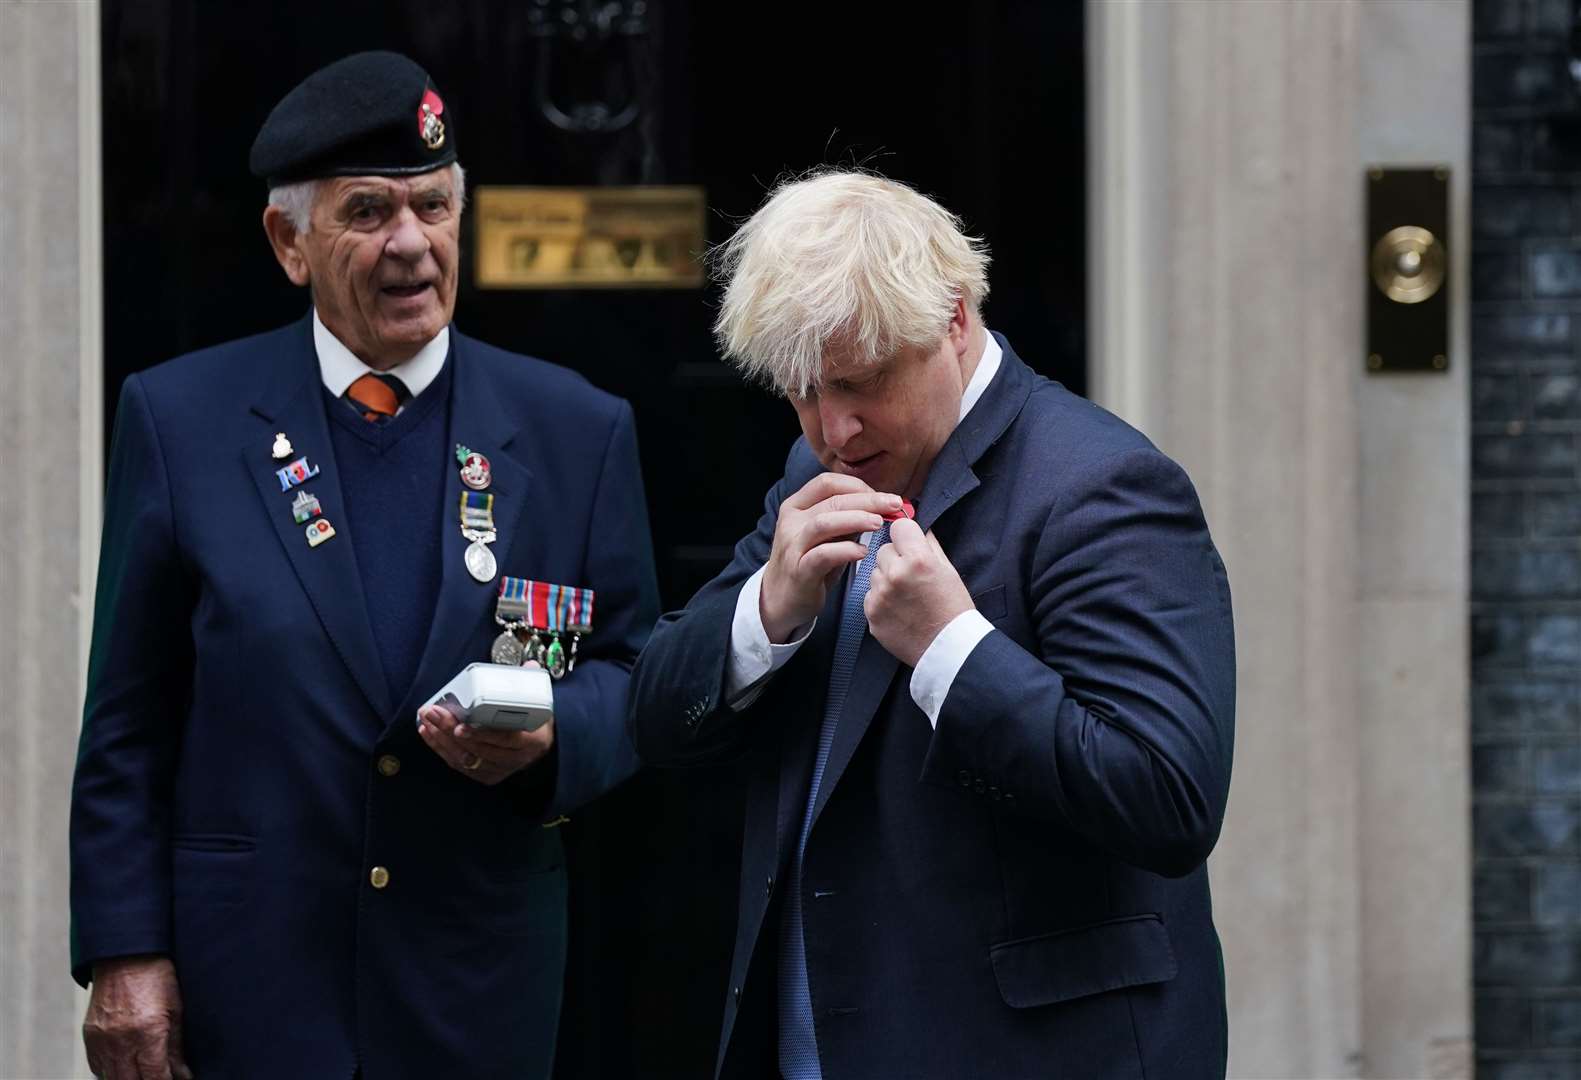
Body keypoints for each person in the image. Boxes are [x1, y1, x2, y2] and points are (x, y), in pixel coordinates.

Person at [69, 51, 658, 1080]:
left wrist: (556, 738)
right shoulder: (181, 421)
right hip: (251, 991)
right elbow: (127, 723)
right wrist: (124, 952)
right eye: (368, 212)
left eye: (433, 207)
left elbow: (630, 673)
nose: (410, 245)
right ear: (288, 243)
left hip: (474, 991)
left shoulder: (576, 431)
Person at [627, 170, 1236, 1079]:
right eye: (801, 392)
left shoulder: (1103, 486)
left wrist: (953, 649)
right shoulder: (814, 468)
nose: (833, 427)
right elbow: (654, 716)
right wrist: (768, 609)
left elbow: (1166, 798)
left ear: (953, 320)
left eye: (860, 381)